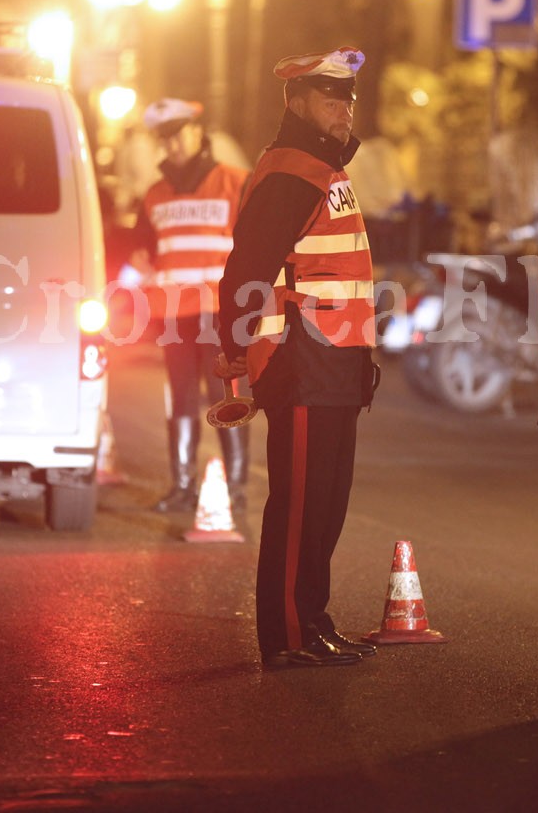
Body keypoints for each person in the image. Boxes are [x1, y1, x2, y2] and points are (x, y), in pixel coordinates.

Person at [215, 47, 379, 669]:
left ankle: (312, 620)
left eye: (349, 101)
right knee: (298, 502)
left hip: (336, 362)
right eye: (332, 100)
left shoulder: (323, 170)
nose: (344, 112)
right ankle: (285, 633)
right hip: (301, 359)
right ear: (300, 102)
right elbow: (247, 270)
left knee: (326, 502)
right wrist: (232, 348)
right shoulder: (292, 172)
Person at [130, 98, 251, 513]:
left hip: (221, 312)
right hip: (174, 315)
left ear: (198, 132)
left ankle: (234, 486)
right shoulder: (154, 195)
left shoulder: (236, 183)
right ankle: (181, 485)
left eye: (179, 133)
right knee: (179, 399)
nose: (173, 144)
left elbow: (256, 246)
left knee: (225, 396)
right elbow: (143, 251)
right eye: (165, 138)